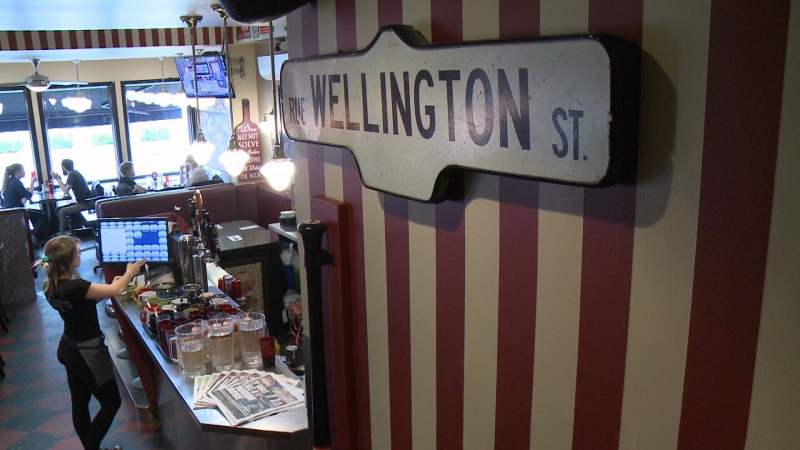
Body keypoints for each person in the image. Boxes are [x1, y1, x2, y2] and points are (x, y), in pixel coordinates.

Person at [33, 235, 145, 450]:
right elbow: (116, 290)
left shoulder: (52, 286)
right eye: (77, 252)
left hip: (68, 348)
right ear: (67, 259)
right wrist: (130, 272)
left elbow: (82, 303)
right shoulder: (76, 286)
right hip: (87, 353)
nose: (80, 254)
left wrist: (109, 288)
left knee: (80, 402)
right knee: (112, 403)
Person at [2, 163, 49, 245]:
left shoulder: (12, 182)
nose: (24, 172)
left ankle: (35, 237)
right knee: (43, 216)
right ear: (18, 171)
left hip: (11, 210)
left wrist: (23, 199)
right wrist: (33, 182)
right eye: (23, 170)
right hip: (16, 212)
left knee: (38, 215)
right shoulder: (15, 182)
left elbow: (24, 197)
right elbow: (29, 195)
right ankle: (31, 236)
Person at [50, 158, 93, 234]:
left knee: (62, 212)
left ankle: (63, 233)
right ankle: (67, 230)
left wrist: (57, 179)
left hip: (84, 204)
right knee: (57, 209)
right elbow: (66, 188)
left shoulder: (72, 176)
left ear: (63, 167)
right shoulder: (75, 173)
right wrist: (59, 179)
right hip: (84, 201)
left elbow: (65, 191)